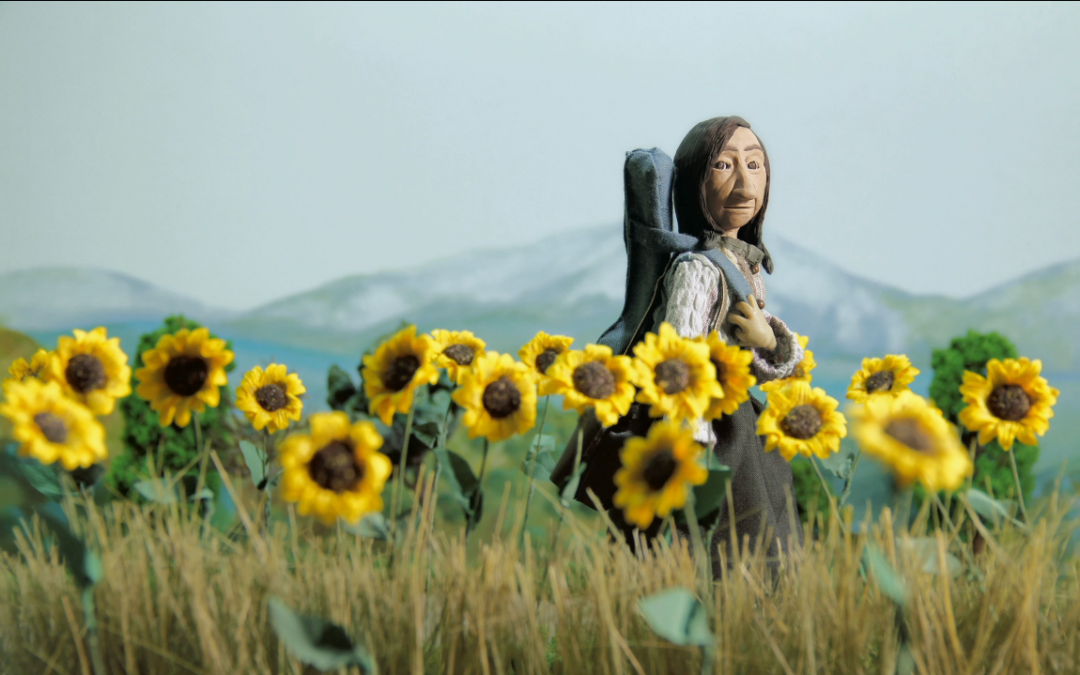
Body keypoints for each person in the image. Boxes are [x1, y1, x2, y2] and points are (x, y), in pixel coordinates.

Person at [553, 116, 805, 577]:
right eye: (724, 165)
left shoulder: (742, 264)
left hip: (742, 422)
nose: (745, 180)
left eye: (755, 163)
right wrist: (690, 444)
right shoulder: (697, 269)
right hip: (707, 428)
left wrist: (768, 341)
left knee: (764, 528)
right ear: (694, 181)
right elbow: (676, 358)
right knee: (710, 539)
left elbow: (769, 363)